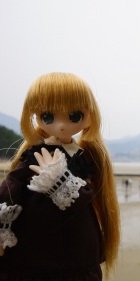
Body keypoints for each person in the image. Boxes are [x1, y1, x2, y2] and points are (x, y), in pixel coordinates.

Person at [0, 72, 120, 280]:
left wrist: (59, 179)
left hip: (76, 245)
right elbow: (11, 187)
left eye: (74, 116)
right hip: (31, 246)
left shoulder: (81, 158)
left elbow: (84, 196)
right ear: (36, 116)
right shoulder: (35, 153)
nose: (61, 124)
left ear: (89, 116)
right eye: (48, 116)